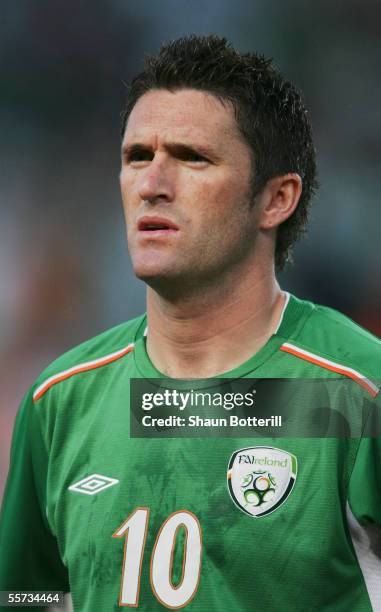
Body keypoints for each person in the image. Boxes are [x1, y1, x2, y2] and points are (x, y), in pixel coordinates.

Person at [0, 34, 380, 611]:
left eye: (192, 157)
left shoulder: (356, 391)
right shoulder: (59, 400)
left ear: (276, 199)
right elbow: (28, 597)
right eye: (136, 157)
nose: (152, 184)